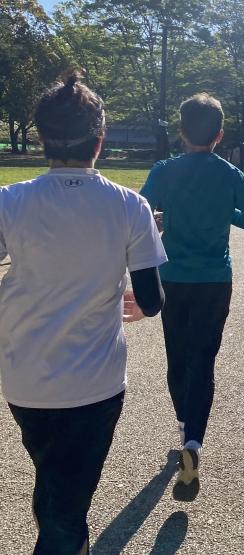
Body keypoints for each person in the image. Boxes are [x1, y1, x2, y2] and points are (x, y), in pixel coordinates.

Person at [0, 73, 167, 555]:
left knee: (53, 478)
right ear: (100, 141)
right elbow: (152, 300)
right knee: (68, 510)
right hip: (95, 383)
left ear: (42, 140)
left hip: (24, 377)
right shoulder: (131, 206)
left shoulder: (9, 201)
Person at [141, 93, 244, 502]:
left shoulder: (164, 171)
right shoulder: (230, 174)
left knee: (177, 356)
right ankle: (194, 440)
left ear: (181, 131)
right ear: (220, 134)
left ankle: (183, 423)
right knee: (204, 357)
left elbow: (140, 216)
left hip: (172, 277)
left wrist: (164, 218)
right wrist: (224, 210)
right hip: (214, 279)